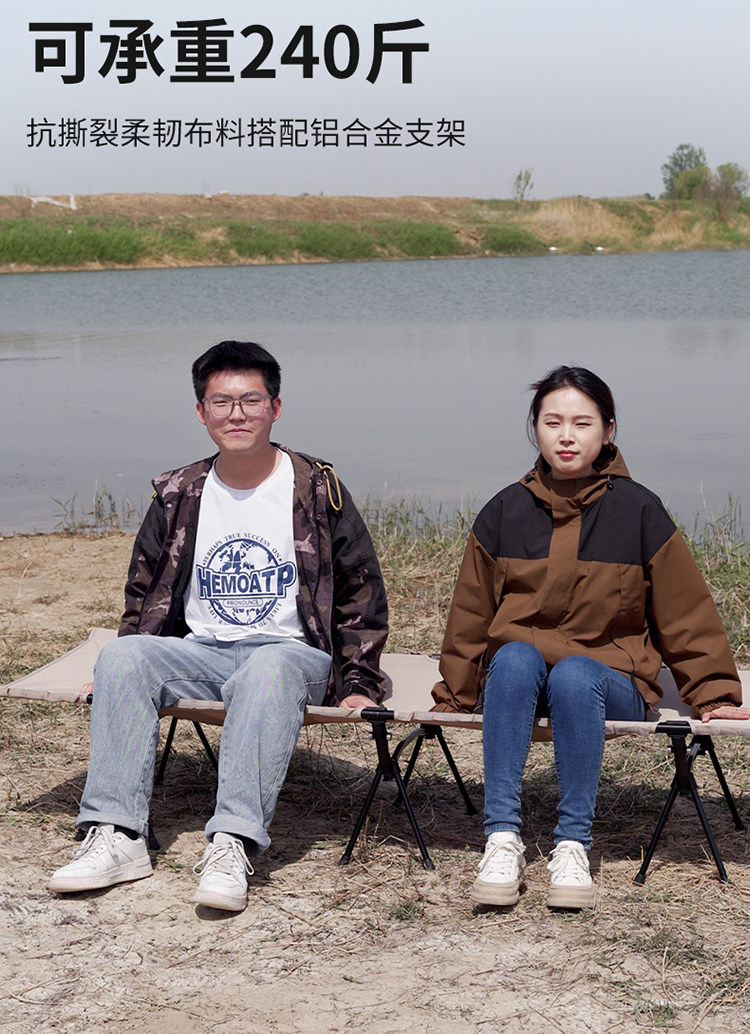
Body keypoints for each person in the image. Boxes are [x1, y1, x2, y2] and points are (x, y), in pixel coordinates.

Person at [50, 340, 388, 912]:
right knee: (123, 657)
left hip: (292, 656)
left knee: (269, 665)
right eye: (221, 402)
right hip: (202, 650)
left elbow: (362, 589)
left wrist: (358, 682)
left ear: (274, 408)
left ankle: (233, 841)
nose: (236, 414)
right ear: (201, 412)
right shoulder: (179, 492)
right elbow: (144, 588)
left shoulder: (315, 488)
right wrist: (119, 672)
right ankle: (117, 835)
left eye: (251, 401)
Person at [433, 365, 749, 911]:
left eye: (582, 423)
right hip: (521, 682)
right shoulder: (504, 510)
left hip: (610, 682)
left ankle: (573, 844)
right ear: (535, 428)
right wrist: (455, 696)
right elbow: (470, 613)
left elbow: (684, 612)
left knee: (577, 673)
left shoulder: (639, 510)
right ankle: (501, 837)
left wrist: (714, 693)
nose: (566, 436)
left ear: (607, 430)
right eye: (552, 422)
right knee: (514, 656)